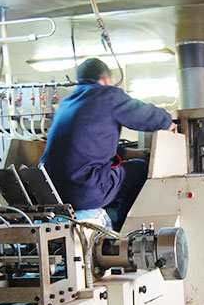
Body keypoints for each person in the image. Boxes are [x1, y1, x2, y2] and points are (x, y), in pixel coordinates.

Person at [40, 58, 175, 230]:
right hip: (86, 189)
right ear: (105, 80)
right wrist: (168, 120)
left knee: (128, 167)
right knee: (140, 170)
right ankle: (124, 232)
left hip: (53, 191)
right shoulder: (106, 95)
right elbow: (146, 116)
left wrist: (136, 153)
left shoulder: (67, 104)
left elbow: (89, 146)